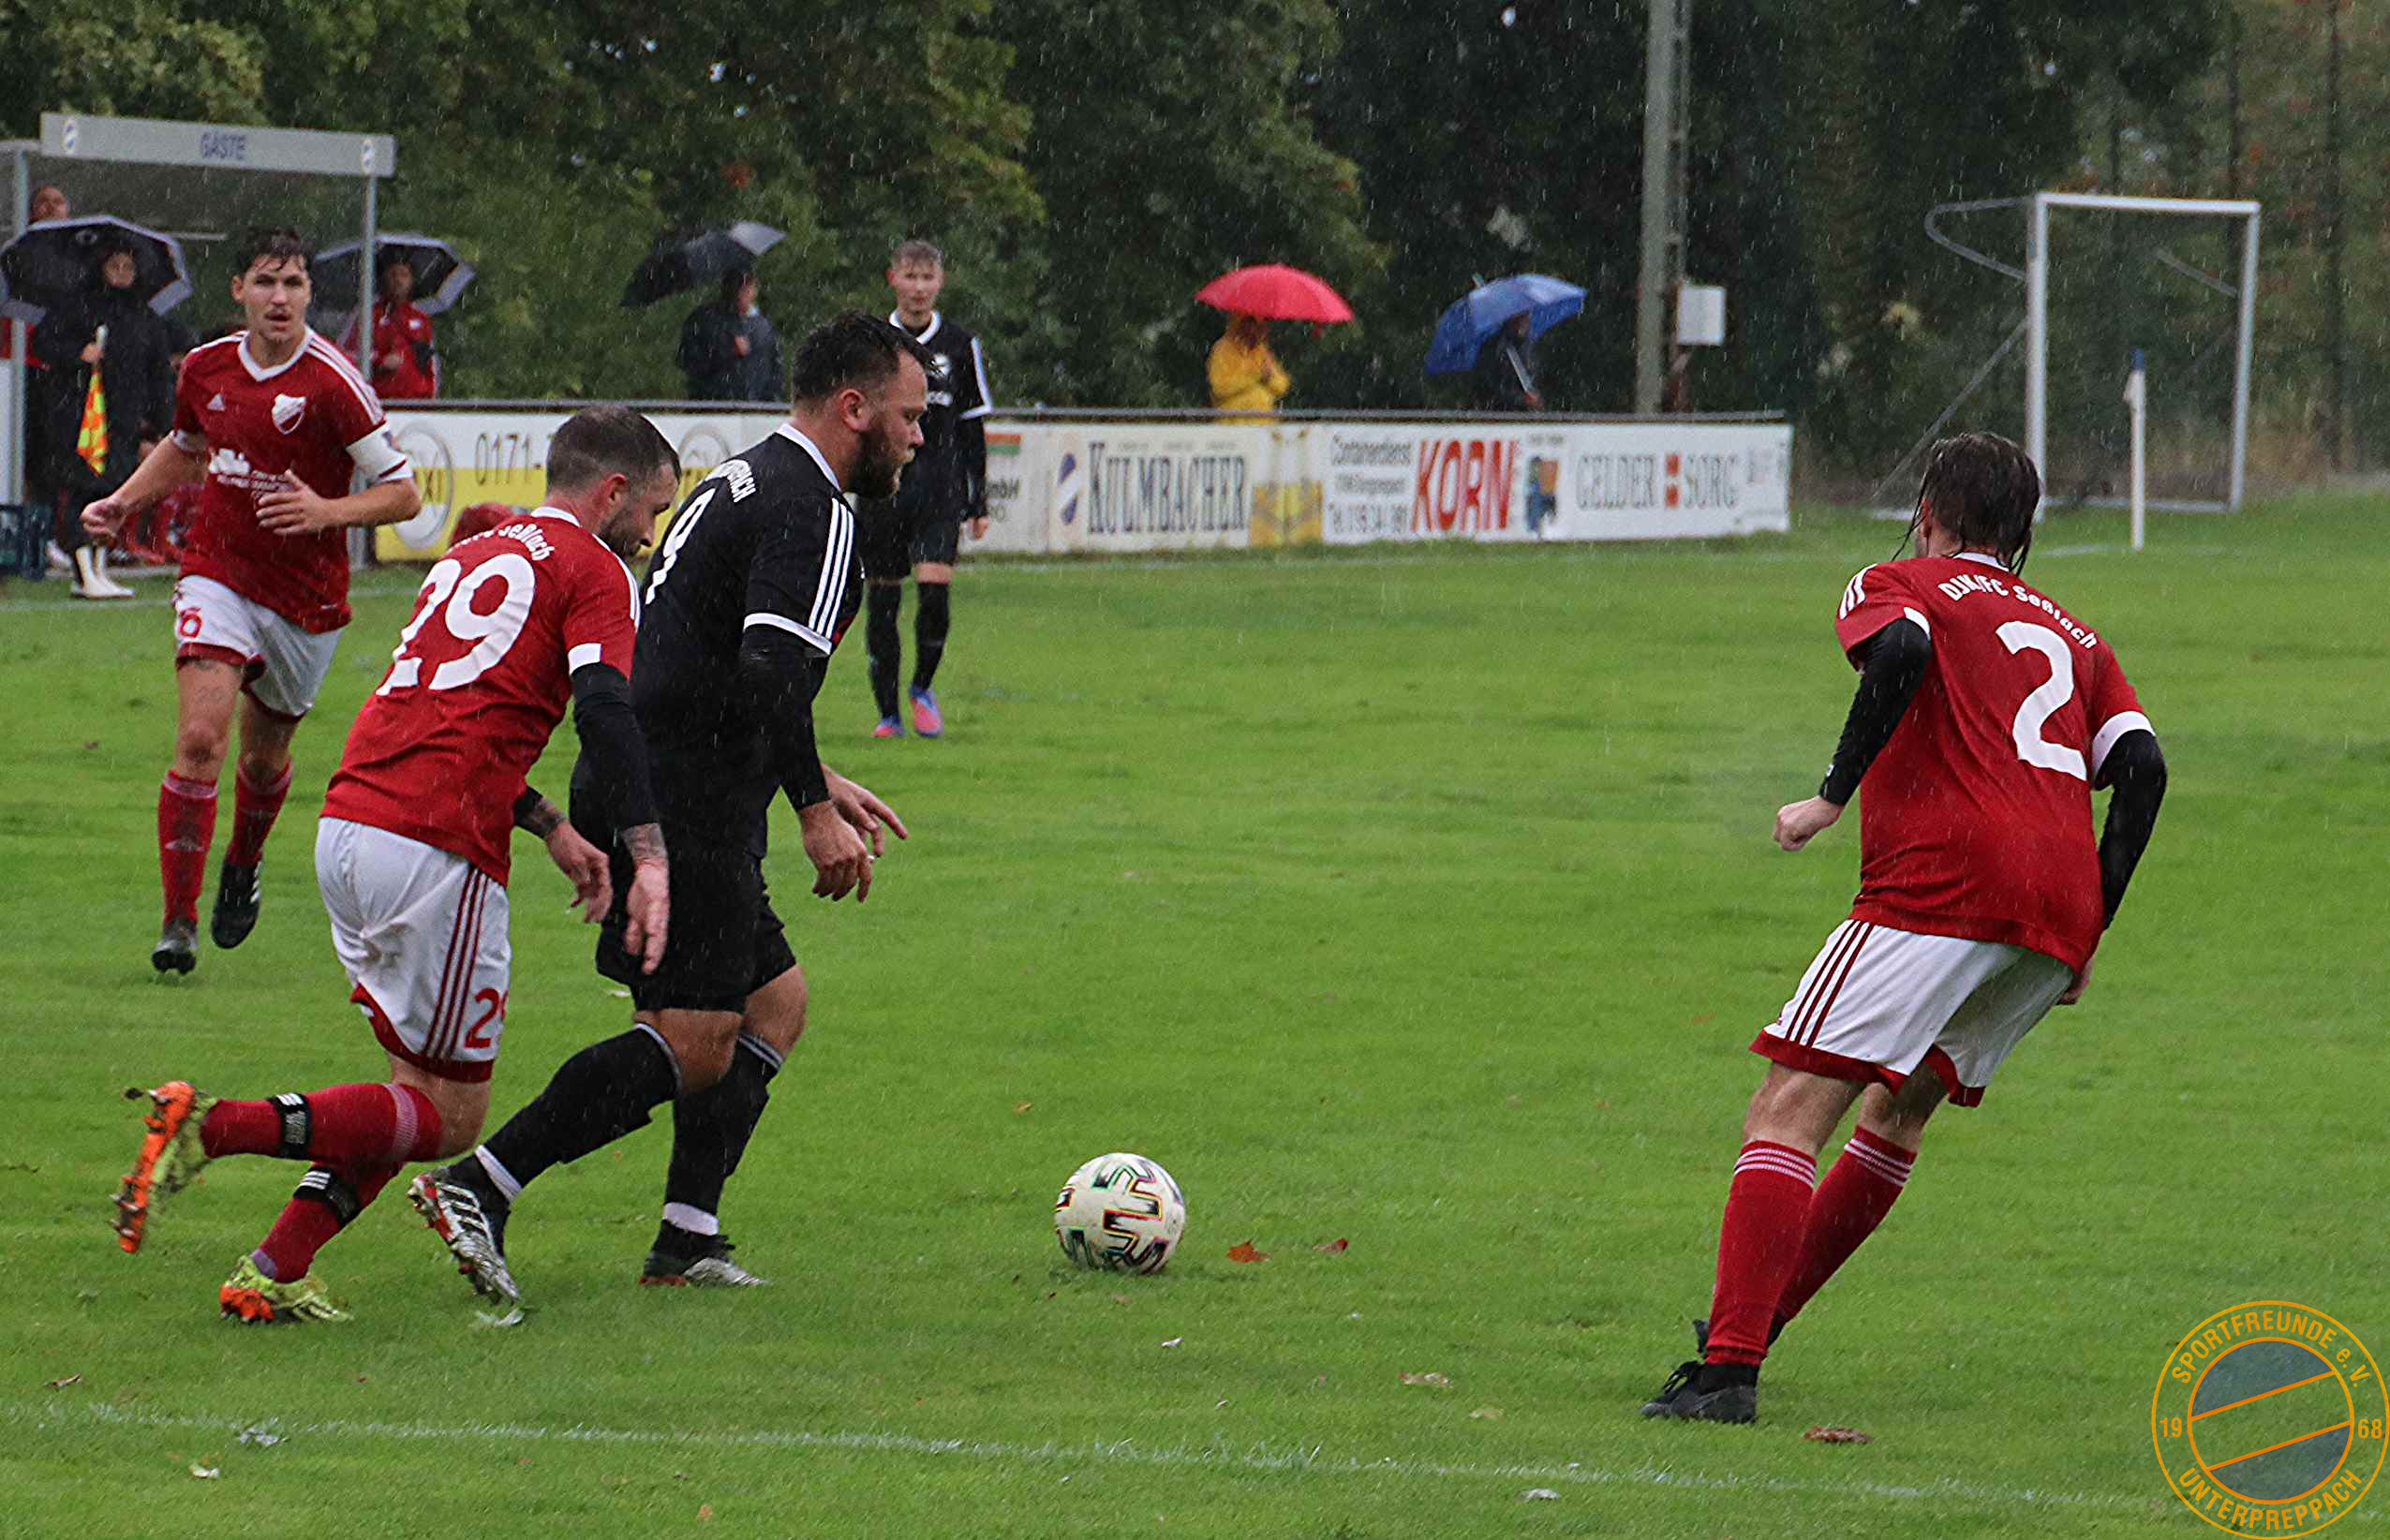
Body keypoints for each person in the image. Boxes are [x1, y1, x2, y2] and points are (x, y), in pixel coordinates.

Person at [1640, 433, 2168, 1426]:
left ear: (1927, 511)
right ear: (2021, 530)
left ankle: (1725, 1375)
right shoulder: (2076, 636)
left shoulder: (1898, 583)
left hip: (1939, 885)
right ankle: (1745, 1330)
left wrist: (1830, 797)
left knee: (1787, 1108)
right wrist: (2087, 928)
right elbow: (2141, 769)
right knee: (1896, 1115)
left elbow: (1903, 650)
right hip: (2053, 906)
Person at [109, 407, 679, 1324]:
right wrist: (647, 855)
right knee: (449, 1119)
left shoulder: (478, 550)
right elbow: (606, 709)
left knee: (405, 1098)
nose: (648, 535)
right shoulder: (595, 568)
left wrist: (547, 825)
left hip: (352, 822)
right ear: (612, 492)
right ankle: (211, 1125)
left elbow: (450, 710)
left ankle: (272, 1268)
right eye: (650, 510)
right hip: (435, 848)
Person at [409, 312, 922, 1304]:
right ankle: (481, 1183)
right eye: (908, 416)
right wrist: (811, 808)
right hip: (685, 800)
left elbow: (718, 664)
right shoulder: (812, 509)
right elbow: (771, 671)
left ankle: (687, 1234)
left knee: (773, 1004)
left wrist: (815, 774)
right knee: (693, 1038)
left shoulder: (743, 478)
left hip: (666, 777)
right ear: (854, 408)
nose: (917, 436)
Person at [82, 227, 423, 976]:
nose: (279, 298)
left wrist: (326, 512)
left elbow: (404, 494)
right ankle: (178, 921)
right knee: (201, 739)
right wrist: (123, 500)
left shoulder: (334, 384)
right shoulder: (206, 367)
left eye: (293, 283)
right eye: (265, 282)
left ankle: (244, 860)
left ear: (308, 294)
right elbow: (186, 447)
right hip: (218, 571)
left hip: (305, 596)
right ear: (238, 290)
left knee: (265, 762)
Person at [863, 237, 993, 738]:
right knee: (883, 599)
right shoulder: (873, 343)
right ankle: (887, 714)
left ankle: (921, 687)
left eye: (927, 278)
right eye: (910, 277)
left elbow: (972, 425)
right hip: (883, 486)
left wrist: (978, 499)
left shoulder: (959, 344)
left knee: (935, 591)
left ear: (940, 282)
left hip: (940, 485)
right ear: (892, 279)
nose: (918, 288)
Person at [34, 234, 176, 598]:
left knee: (111, 492)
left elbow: (158, 373)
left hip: (124, 421)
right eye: (115, 266)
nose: (122, 273)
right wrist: (78, 353)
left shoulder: (145, 317)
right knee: (81, 489)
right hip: (79, 418)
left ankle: (98, 568)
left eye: (128, 267)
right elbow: (44, 343)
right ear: (101, 267)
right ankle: (82, 570)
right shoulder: (75, 305)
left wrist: (162, 422)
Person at [339, 250, 439, 399]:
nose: (398, 280)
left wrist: (430, 398)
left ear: (412, 280)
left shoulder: (421, 319)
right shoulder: (367, 314)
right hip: (380, 400)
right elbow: (344, 354)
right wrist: (379, 361)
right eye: (393, 274)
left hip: (416, 402)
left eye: (404, 275)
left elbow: (432, 365)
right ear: (384, 278)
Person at [678, 269, 775, 401]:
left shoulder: (762, 325)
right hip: (712, 404)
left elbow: (773, 369)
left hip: (754, 406)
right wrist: (728, 352)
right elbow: (689, 361)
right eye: (739, 287)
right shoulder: (704, 320)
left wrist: (772, 403)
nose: (744, 293)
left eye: (748, 287)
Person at [1208, 313, 1289, 413]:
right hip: (1233, 418)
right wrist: (1256, 376)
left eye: (1263, 326)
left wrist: (1270, 378)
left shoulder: (1262, 351)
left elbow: (1282, 386)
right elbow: (1220, 387)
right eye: (1252, 324)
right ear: (1240, 325)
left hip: (1264, 419)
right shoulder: (1223, 349)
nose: (1257, 331)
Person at [1472, 311, 1542, 411]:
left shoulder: (1529, 346)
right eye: (1520, 317)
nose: (1525, 321)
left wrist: (1536, 399)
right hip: (1498, 413)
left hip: (1526, 413)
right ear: (1509, 319)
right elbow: (1491, 386)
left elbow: (1534, 379)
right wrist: (1521, 399)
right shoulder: (1494, 347)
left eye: (1526, 316)